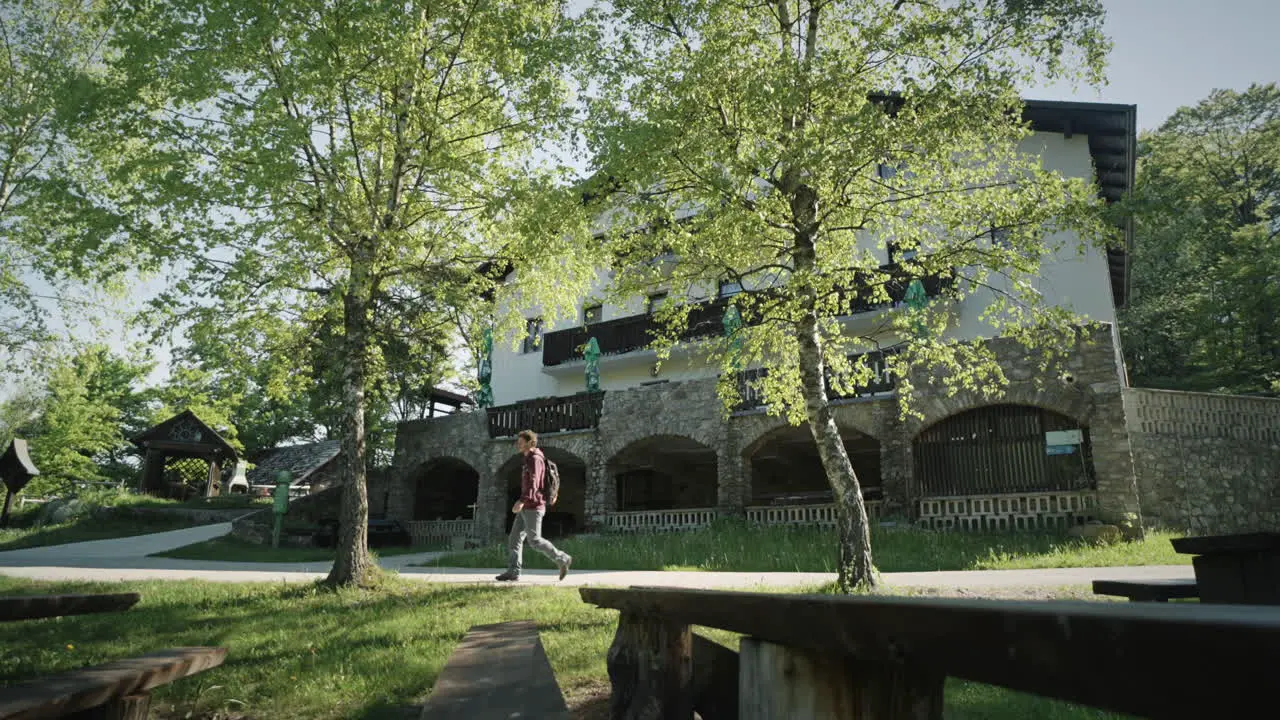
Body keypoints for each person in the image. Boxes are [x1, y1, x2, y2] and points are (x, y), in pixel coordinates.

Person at [495, 430, 572, 582]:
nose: (518, 444)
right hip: (527, 505)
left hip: (533, 505)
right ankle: (513, 571)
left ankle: (562, 558)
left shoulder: (535, 459)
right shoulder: (528, 458)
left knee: (534, 540)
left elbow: (534, 483)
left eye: (521, 441)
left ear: (530, 443)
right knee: (515, 538)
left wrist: (522, 500)